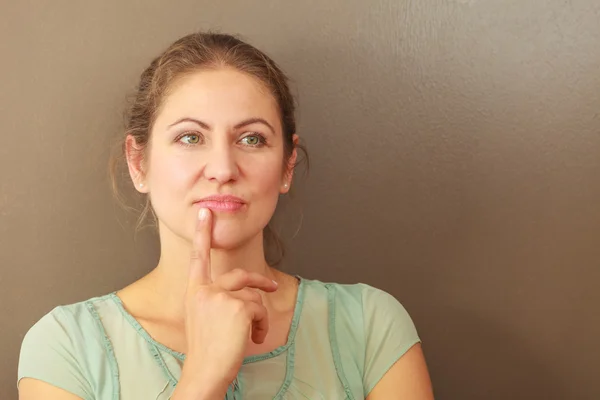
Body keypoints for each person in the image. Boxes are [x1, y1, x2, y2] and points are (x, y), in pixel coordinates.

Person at [17, 32, 434, 400]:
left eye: (251, 139)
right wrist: (203, 378)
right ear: (138, 162)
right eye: (190, 137)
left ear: (287, 165)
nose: (222, 168)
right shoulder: (65, 346)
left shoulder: (370, 326)